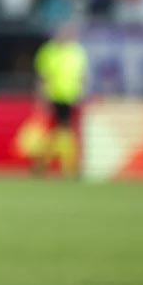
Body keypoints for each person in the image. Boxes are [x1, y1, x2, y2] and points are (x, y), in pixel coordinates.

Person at [32, 23, 87, 178]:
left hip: (72, 97)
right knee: (62, 130)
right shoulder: (48, 51)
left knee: (63, 131)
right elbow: (42, 77)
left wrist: (82, 95)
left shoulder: (77, 51)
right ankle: (66, 166)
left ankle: (47, 163)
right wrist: (42, 98)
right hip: (54, 97)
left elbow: (82, 76)